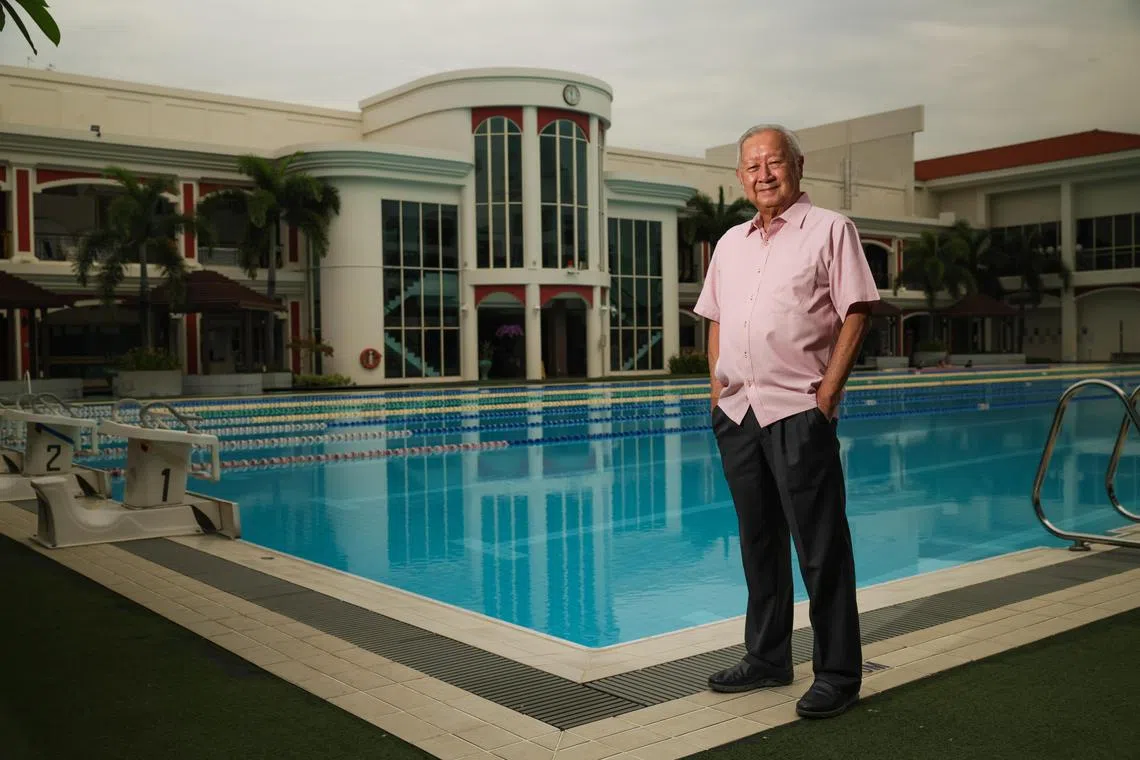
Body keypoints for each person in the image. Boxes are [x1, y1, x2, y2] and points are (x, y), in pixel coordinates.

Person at [694, 124, 880, 719]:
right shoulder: (730, 243)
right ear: (740, 177)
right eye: (752, 166)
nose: (764, 174)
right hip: (739, 412)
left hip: (798, 409)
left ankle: (838, 674)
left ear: (797, 166)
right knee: (758, 542)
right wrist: (717, 387)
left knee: (821, 547)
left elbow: (857, 311)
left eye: (773, 162)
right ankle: (768, 657)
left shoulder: (830, 229)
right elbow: (715, 317)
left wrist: (827, 395)